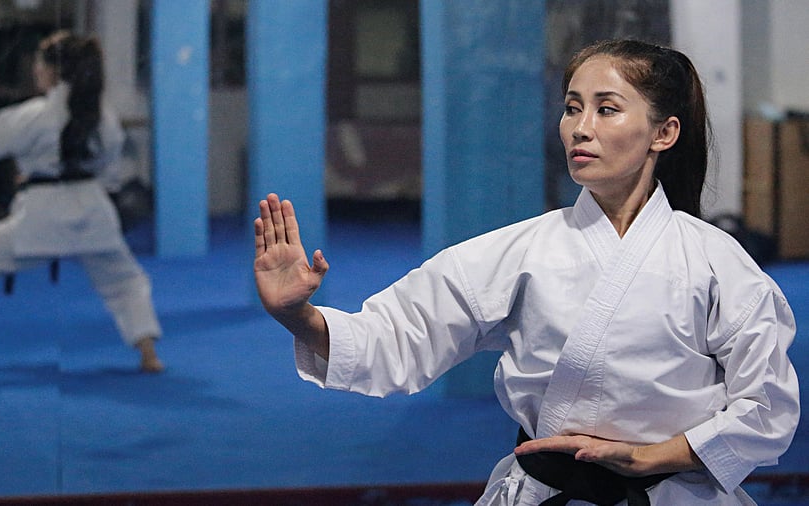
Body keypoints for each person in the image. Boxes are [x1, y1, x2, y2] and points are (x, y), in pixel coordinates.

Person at [253, 39, 799, 505]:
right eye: (571, 108)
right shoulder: (521, 251)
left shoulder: (716, 262)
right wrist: (296, 315)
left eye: (606, 109)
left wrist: (652, 456)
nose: (579, 129)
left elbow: (767, 406)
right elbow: (397, 337)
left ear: (664, 132)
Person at [0, 31, 164, 373]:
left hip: (41, 216)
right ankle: (148, 355)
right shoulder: (103, 117)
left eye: (39, 62)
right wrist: (52, 172)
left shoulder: (32, 115)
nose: (34, 68)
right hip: (93, 212)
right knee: (124, 281)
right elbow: (108, 165)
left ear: (53, 70)